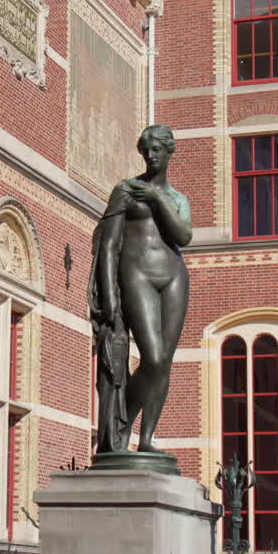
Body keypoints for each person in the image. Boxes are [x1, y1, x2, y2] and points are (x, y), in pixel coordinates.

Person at [89, 124, 192, 456]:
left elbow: (183, 236)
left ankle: (146, 439)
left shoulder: (177, 199)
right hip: (137, 275)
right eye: (146, 150)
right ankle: (121, 425)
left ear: (169, 152)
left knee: (164, 363)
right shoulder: (126, 189)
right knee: (153, 357)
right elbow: (109, 244)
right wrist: (109, 293)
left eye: (157, 149)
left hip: (174, 277)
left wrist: (157, 198)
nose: (151, 156)